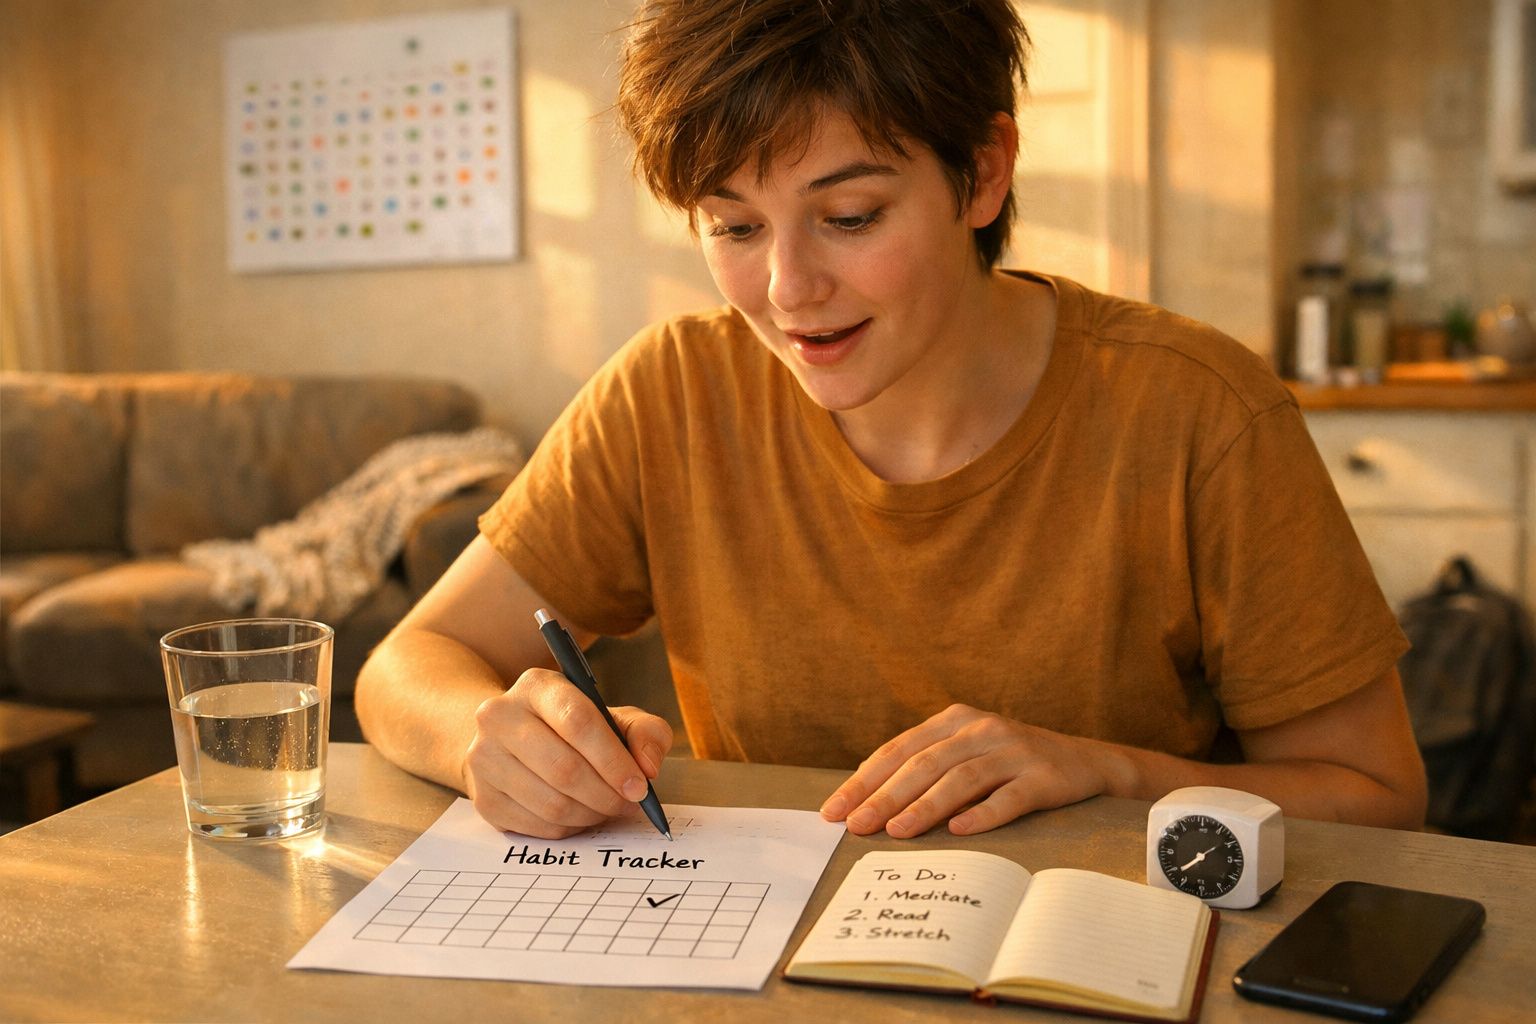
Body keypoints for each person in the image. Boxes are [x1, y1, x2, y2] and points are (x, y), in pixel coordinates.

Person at [355, 0, 1427, 841]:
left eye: (850, 216)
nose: (786, 288)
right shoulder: (672, 393)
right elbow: (412, 662)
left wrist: (1112, 769)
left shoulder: (1199, 409)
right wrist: (483, 742)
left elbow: (1379, 797)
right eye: (733, 225)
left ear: (983, 173)